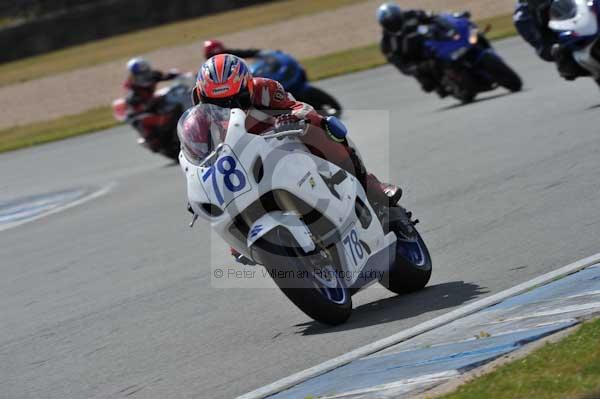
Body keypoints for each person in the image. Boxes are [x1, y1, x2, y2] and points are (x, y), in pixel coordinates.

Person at [179, 54, 402, 264]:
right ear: (201, 96)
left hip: (283, 143)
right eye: (218, 102)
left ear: (248, 86)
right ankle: (249, 235)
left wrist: (296, 117)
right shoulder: (200, 120)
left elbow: (300, 107)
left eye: (236, 99)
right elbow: (195, 156)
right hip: (243, 166)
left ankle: (371, 187)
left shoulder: (265, 89)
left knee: (324, 129)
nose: (228, 107)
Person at [376, 3, 442, 94]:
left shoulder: (412, 15)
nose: (394, 24)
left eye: (396, 19)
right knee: (428, 85)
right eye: (390, 23)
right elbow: (398, 63)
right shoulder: (386, 43)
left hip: (430, 44)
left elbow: (434, 17)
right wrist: (415, 68)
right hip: (415, 60)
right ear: (384, 25)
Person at [513, 0, 588, 80]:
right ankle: (567, 63)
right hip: (550, 41)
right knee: (561, 51)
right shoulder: (522, 14)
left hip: (576, 25)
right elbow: (538, 40)